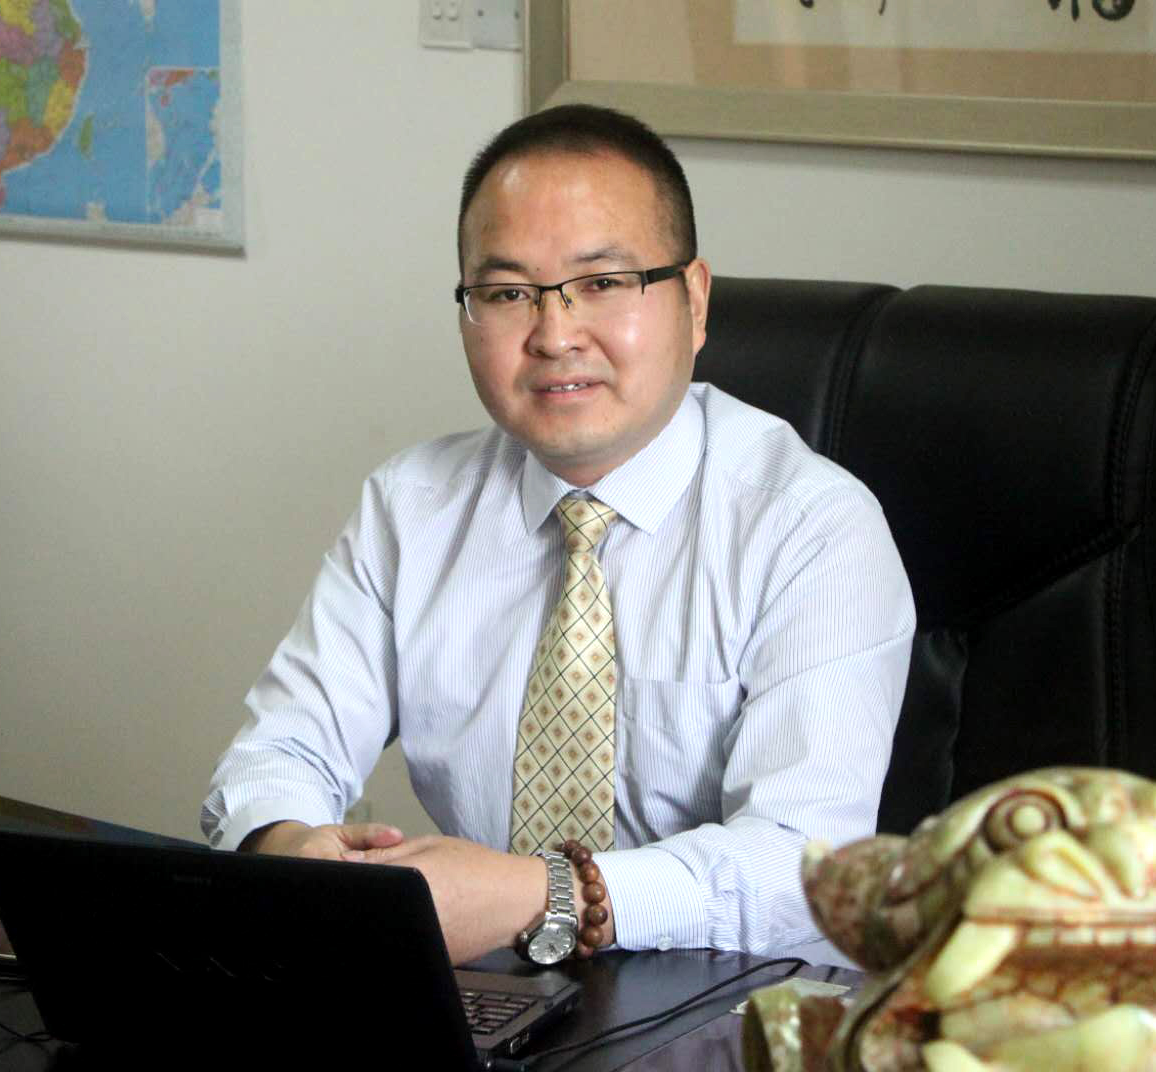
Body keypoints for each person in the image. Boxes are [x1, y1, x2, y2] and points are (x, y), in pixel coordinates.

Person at [201, 104, 914, 968]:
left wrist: (547, 895)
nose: (554, 334)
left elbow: (807, 867)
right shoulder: (412, 506)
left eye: (603, 283)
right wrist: (290, 846)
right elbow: (281, 749)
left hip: (737, 1007)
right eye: (507, 294)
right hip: (487, 999)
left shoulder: (812, 529)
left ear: (693, 301)